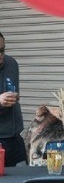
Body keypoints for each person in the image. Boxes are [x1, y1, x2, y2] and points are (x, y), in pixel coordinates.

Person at [0, 32, 27, 167]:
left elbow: (15, 92)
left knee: (23, 179)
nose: (0, 55)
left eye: (2, 50)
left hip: (15, 137)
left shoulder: (11, 64)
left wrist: (14, 97)